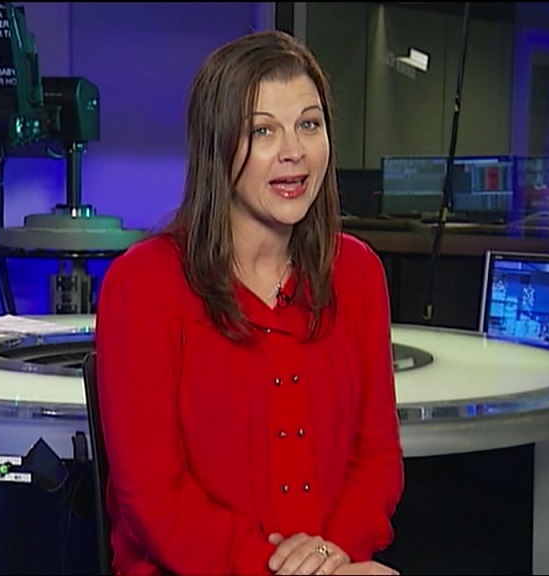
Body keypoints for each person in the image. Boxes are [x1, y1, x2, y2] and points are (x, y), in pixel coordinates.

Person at [95, 30, 404, 576]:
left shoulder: (357, 273)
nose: (293, 152)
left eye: (309, 124)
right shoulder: (142, 285)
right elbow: (154, 500)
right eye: (263, 130)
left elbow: (377, 461)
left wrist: (330, 557)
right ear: (218, 145)